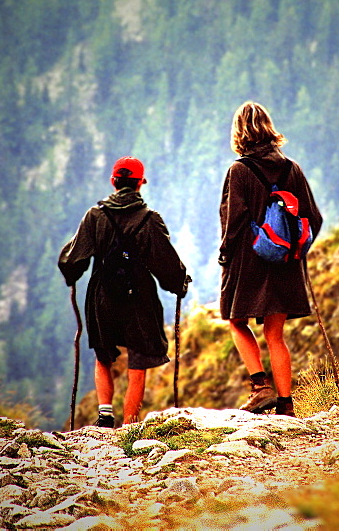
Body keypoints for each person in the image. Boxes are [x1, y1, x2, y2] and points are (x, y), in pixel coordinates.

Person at [58, 156, 188, 428]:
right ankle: (130, 425)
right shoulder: (150, 220)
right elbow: (166, 263)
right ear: (141, 183)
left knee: (103, 355)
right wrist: (180, 283)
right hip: (139, 297)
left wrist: (71, 273)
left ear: (113, 182)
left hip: (102, 295)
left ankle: (105, 415)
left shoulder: (96, 216)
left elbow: (73, 259)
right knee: (137, 361)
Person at [219, 101, 323, 417]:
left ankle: (260, 387)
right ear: (269, 128)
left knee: (236, 321)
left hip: (249, 262)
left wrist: (225, 254)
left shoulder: (239, 170)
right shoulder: (293, 169)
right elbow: (313, 218)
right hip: (287, 263)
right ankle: (286, 406)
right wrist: (292, 250)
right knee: (275, 335)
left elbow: (233, 220)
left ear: (239, 133)